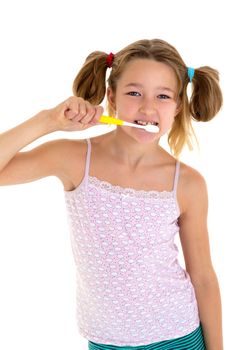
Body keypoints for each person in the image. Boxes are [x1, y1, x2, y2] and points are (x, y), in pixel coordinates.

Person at [0, 39, 223, 349]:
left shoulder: (187, 183)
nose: (147, 108)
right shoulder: (74, 158)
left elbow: (204, 278)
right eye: (134, 93)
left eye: (163, 96)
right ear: (112, 98)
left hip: (179, 336)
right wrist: (47, 121)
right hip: (105, 340)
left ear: (177, 106)